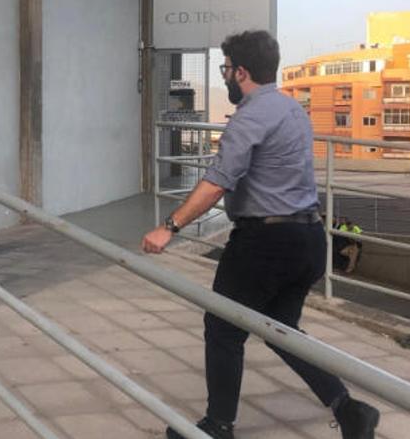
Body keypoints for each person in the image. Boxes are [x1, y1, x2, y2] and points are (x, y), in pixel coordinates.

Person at [142, 31, 379, 439]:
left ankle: (218, 426)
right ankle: (349, 409)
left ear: (241, 72)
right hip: (308, 238)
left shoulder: (250, 117)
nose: (226, 77)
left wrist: (170, 228)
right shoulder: (292, 110)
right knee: (281, 329)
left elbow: (217, 182)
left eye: (227, 70)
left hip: (264, 243)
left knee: (223, 329)